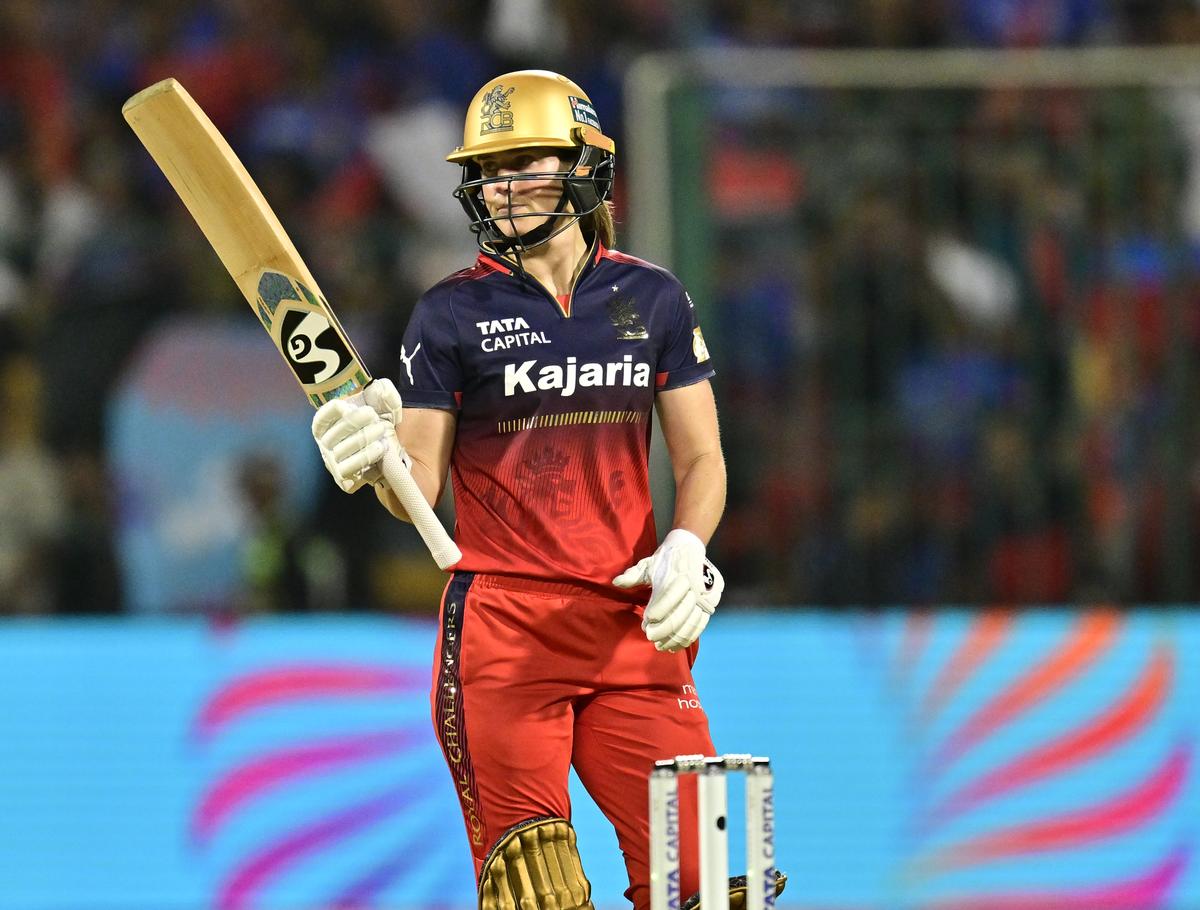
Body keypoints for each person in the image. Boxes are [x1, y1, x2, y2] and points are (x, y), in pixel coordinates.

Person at [311, 70, 784, 910]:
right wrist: (372, 459)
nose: (502, 185)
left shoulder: (654, 298)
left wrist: (687, 544)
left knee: (722, 881)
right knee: (539, 895)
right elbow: (417, 483)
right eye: (489, 169)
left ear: (583, 165)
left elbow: (704, 458)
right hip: (504, 638)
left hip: (634, 630)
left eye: (525, 161)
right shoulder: (447, 314)